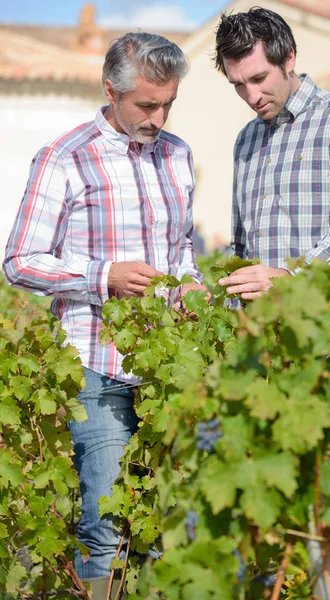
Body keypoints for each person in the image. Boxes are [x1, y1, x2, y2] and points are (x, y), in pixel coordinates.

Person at [3, 32, 207, 596]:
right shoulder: (64, 158)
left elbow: (182, 246)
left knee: (170, 525)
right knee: (106, 527)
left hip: (170, 371)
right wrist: (102, 277)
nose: (158, 117)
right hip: (98, 365)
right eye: (147, 104)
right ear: (109, 89)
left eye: (168, 103)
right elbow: (18, 261)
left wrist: (189, 281)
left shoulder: (178, 155)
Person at [214, 8, 330, 300]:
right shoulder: (245, 139)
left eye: (259, 77)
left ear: (288, 58)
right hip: (259, 333)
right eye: (238, 85)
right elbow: (240, 245)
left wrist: (292, 277)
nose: (252, 97)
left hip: (325, 324)